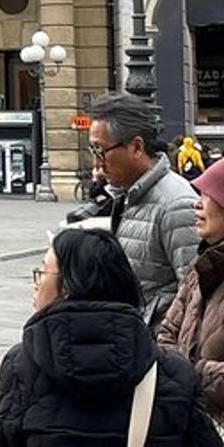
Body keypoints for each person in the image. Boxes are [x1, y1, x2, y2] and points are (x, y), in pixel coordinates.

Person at [0, 228, 221, 447]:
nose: (35, 285)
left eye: (42, 273)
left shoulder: (22, 366)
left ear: (67, 287)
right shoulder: (170, 371)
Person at [83, 92, 200, 328]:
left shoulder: (176, 205)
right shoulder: (125, 195)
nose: (96, 162)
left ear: (136, 147)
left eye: (100, 150)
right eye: (92, 150)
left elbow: (195, 299)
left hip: (152, 349)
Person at [159, 154, 224, 441]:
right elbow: (167, 335)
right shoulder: (200, 268)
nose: (198, 204)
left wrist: (191, 372)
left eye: (208, 195)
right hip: (195, 426)